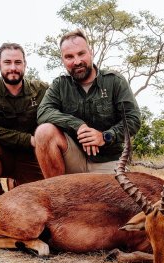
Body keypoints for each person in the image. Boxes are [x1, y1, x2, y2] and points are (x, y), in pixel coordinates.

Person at [34, 29, 141, 178]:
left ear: (91, 52)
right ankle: (55, 196)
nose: (77, 61)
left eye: (81, 54)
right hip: (73, 160)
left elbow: (133, 119)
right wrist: (78, 125)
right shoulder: (59, 85)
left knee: (123, 198)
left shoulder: (115, 81)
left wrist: (105, 137)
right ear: (63, 60)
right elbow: (43, 112)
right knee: (43, 132)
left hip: (109, 161)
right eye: (69, 57)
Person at [0, 42, 48, 205]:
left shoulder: (41, 90)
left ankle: (16, 182)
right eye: (7, 62)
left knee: (35, 202)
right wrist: (28, 139)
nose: (13, 68)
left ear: (25, 65)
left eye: (18, 62)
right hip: (1, 153)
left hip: (31, 155)